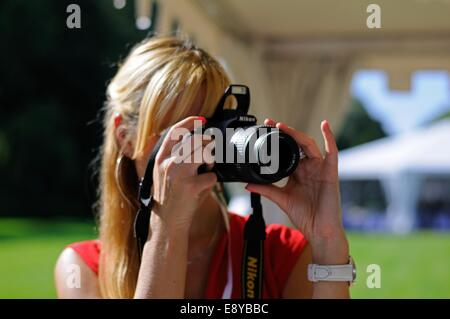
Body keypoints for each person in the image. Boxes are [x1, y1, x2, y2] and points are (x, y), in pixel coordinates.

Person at [54, 36, 350, 299]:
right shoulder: (84, 268)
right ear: (125, 139)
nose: (202, 146)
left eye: (213, 127)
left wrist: (327, 242)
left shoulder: (280, 252)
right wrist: (167, 227)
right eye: (183, 131)